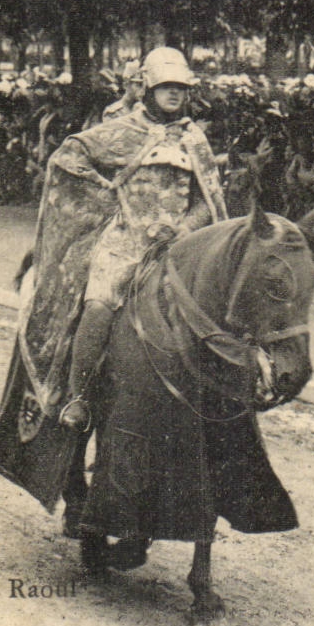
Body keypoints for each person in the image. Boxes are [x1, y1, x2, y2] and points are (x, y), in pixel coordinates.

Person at [58, 47, 227, 429]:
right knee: (99, 305)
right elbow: (73, 153)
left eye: (180, 87)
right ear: (149, 88)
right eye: (166, 86)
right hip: (126, 243)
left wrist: (186, 228)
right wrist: (103, 191)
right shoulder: (122, 129)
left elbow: (208, 200)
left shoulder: (194, 138)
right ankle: (78, 397)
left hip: (177, 248)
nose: (174, 93)